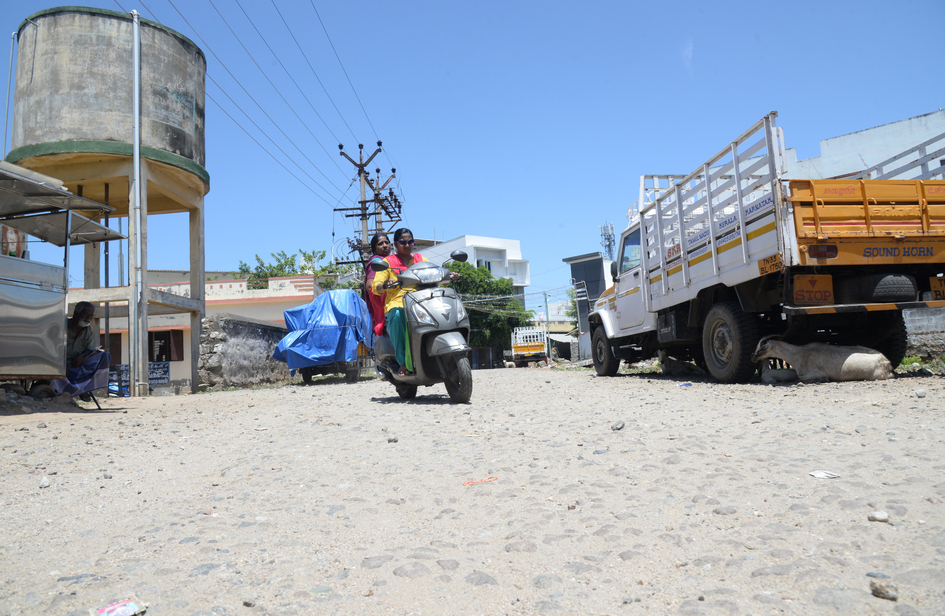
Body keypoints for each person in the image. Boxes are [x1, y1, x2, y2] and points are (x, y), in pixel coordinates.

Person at [372, 228, 461, 377]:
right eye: (403, 242)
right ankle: (402, 362)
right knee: (397, 314)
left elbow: (435, 272)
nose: (407, 245)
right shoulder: (388, 262)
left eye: (410, 241)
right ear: (396, 244)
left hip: (424, 299)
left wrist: (448, 275)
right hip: (399, 302)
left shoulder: (420, 259)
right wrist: (386, 284)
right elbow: (376, 287)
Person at [54, 301, 111, 401]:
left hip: (76, 364)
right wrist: (61, 363)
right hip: (59, 364)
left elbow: (90, 349)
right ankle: (66, 390)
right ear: (76, 313)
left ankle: (84, 388)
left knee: (105, 356)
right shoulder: (63, 326)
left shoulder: (87, 330)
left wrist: (82, 356)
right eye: (85, 314)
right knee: (54, 367)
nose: (88, 317)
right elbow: (53, 347)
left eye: (91, 315)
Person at [363, 233, 391, 337]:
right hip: (385, 310)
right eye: (380, 244)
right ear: (374, 249)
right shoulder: (377, 262)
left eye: (387, 242)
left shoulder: (391, 261)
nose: (385, 245)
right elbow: (370, 286)